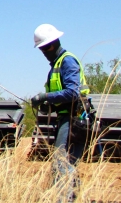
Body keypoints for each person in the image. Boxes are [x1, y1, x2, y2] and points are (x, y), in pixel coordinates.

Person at [29, 24, 91, 203]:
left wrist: (45, 96)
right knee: (67, 163)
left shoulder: (67, 61)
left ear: (53, 44)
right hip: (66, 117)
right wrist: (48, 104)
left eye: (44, 48)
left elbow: (73, 92)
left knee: (62, 164)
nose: (43, 52)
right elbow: (63, 96)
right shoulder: (57, 64)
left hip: (73, 119)